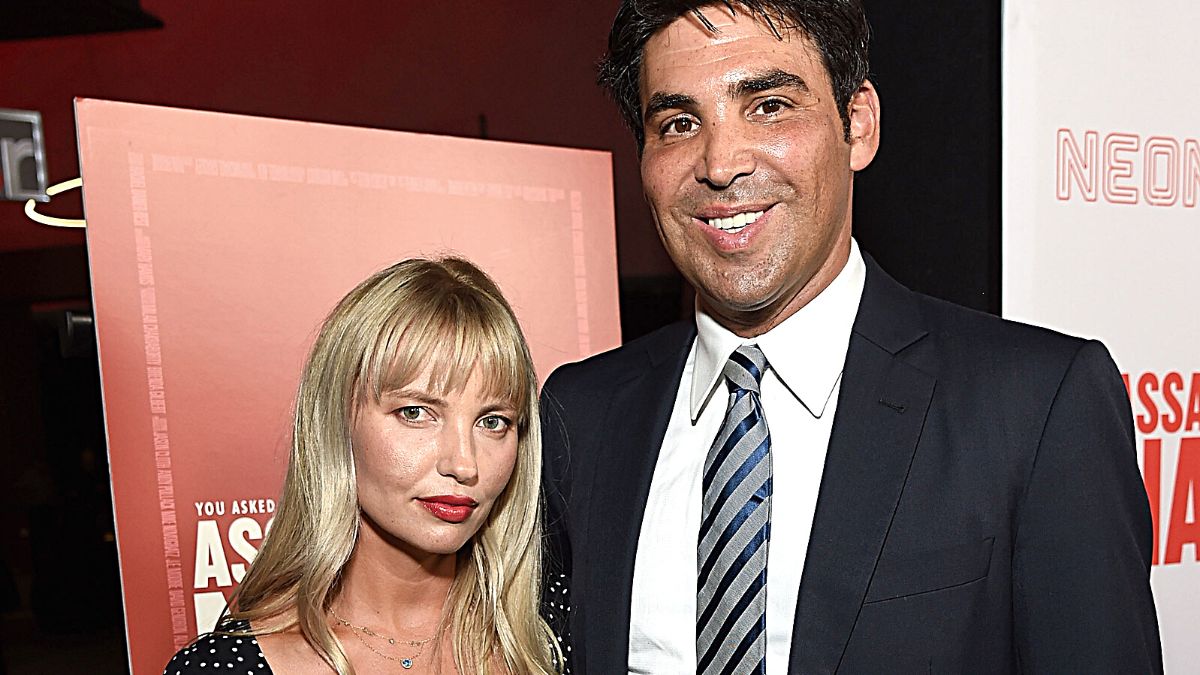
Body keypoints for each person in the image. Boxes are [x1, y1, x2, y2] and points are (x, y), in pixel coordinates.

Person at [540, 1, 1162, 673]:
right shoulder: (583, 414)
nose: (720, 163)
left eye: (769, 106)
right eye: (679, 122)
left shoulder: (1035, 408)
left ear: (857, 124)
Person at [165, 257, 565, 674]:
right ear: (336, 422)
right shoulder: (227, 667)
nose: (464, 464)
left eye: (492, 422)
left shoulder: (561, 627)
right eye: (415, 412)